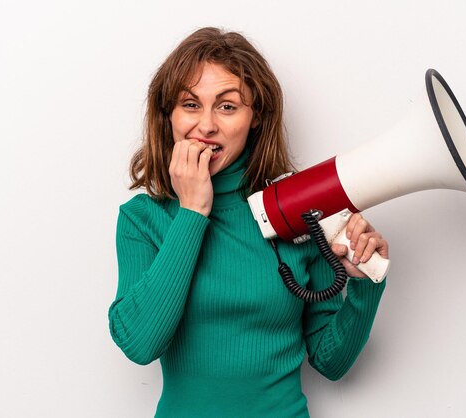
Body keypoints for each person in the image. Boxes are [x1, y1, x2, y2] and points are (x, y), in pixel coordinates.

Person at [108, 27, 389, 418]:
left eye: (227, 106)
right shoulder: (143, 219)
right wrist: (192, 213)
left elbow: (331, 362)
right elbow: (139, 343)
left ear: (255, 117)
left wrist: (364, 284)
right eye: (190, 104)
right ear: (167, 116)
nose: (206, 125)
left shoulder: (296, 211)